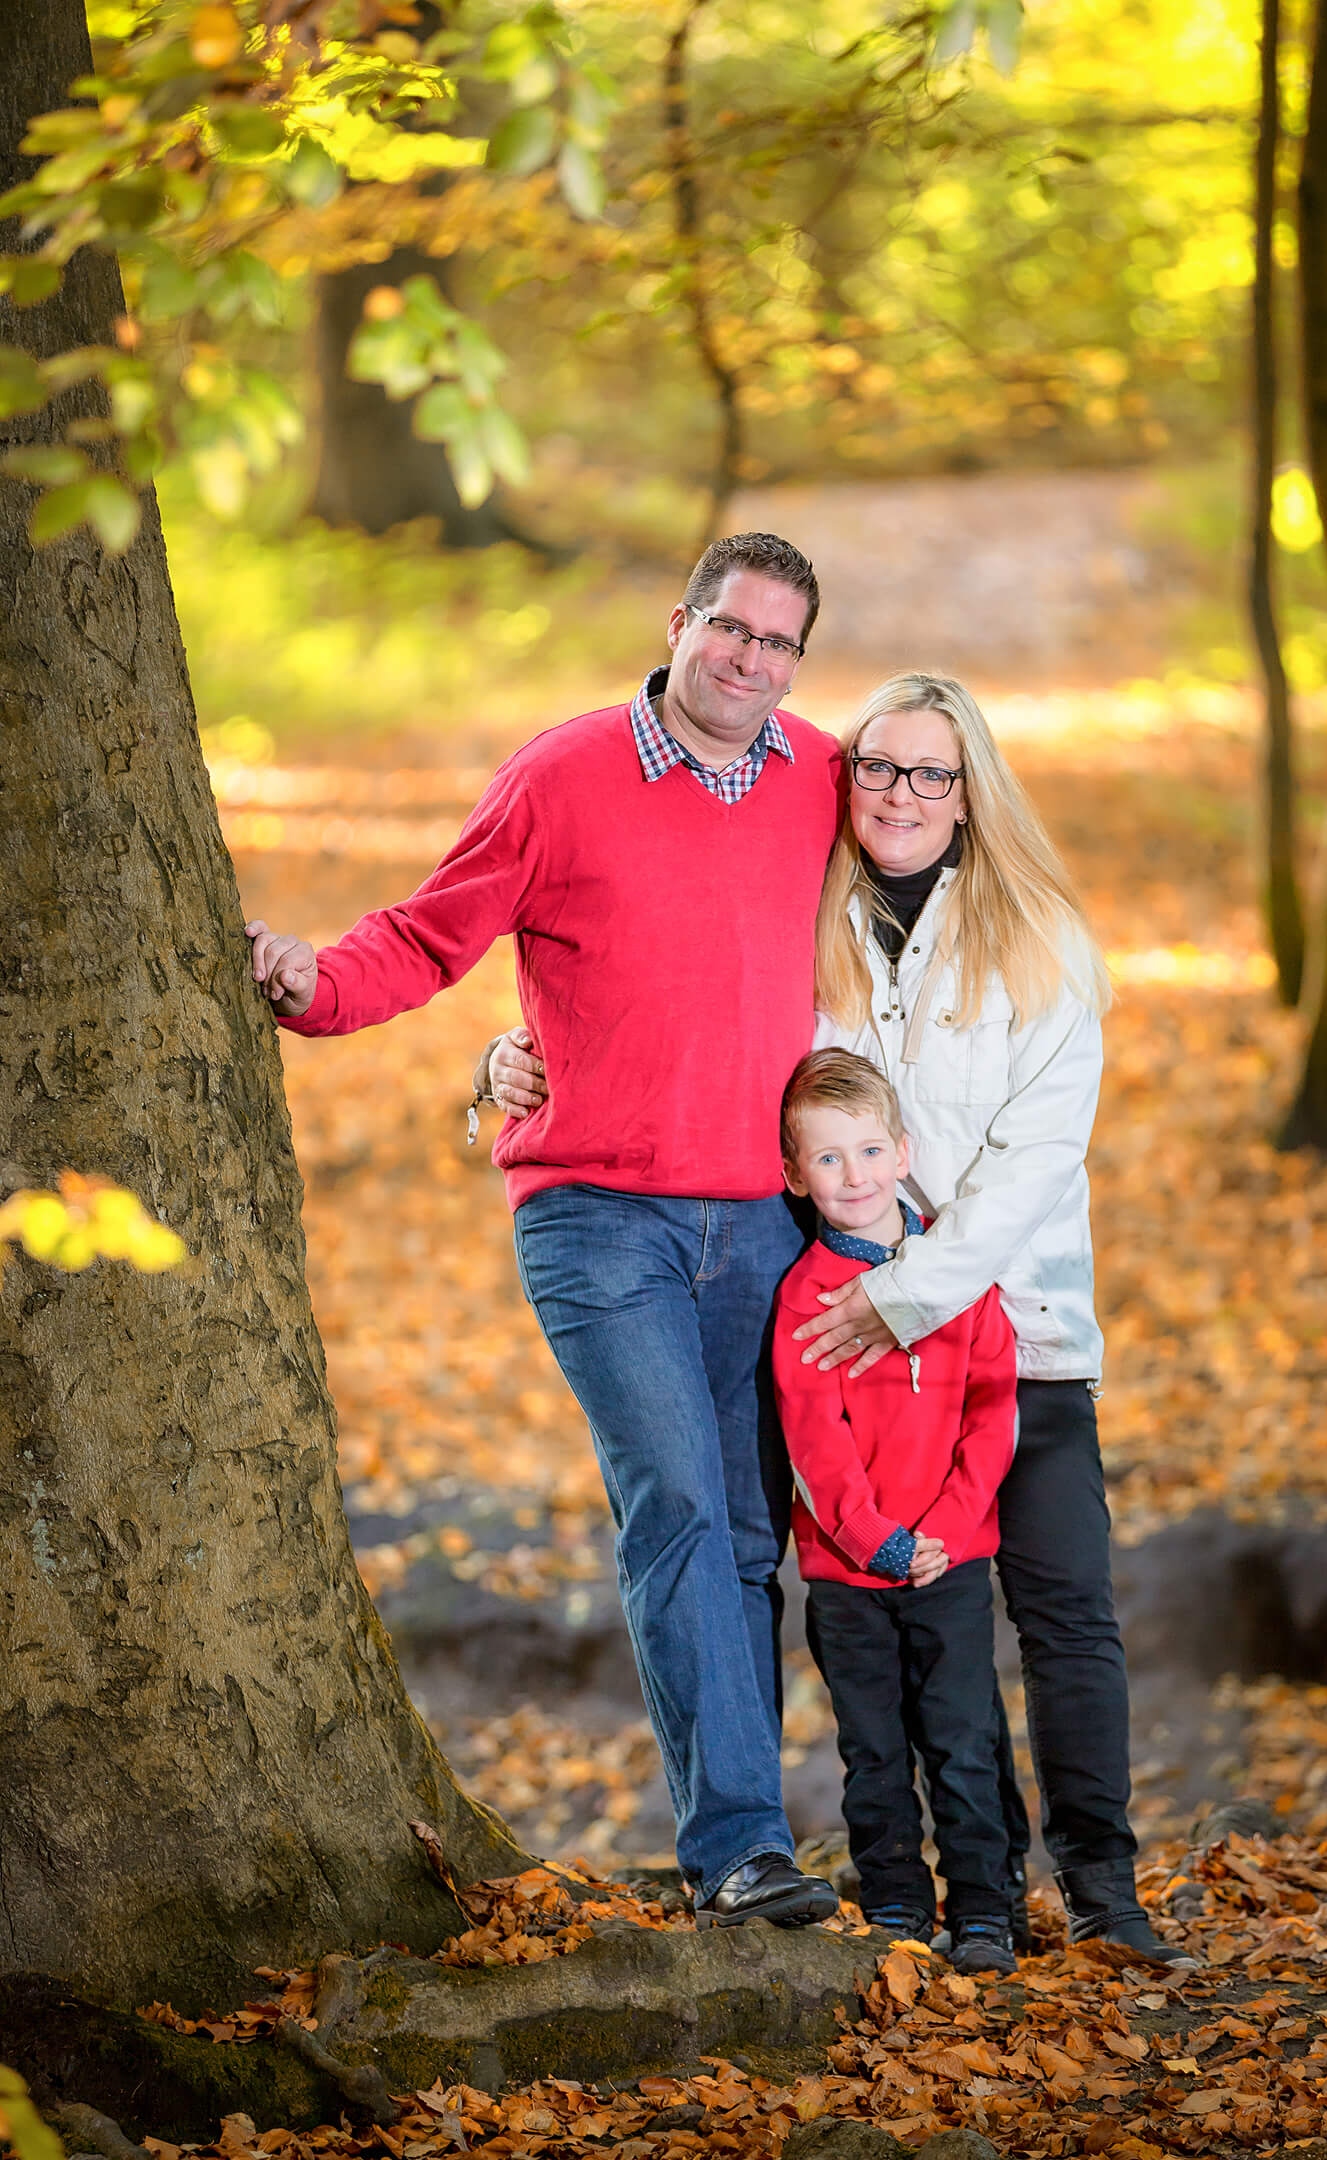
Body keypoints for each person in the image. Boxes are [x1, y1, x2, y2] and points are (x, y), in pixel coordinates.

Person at [491, 667, 1195, 1968]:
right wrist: (506, 1059)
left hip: (1010, 1335)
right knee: (860, 1616)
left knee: (1061, 1606)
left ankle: (1102, 1885)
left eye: (935, 773)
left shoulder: (1044, 944)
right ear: (846, 778)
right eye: (879, 766)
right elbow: (666, 1013)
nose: (904, 794)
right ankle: (888, 1882)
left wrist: (904, 1294)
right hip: (843, 1361)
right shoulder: (799, 918)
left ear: (972, 793)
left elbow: (1035, 1164)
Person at [244, 531, 844, 1929]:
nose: (750, 661)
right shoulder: (564, 773)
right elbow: (431, 930)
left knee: (753, 1534)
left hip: (762, 1215)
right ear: (680, 620)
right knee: (682, 1509)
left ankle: (752, 1845)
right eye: (731, 629)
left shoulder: (819, 773)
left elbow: (920, 886)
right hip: (598, 1216)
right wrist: (313, 984)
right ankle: (743, 1848)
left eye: (778, 643)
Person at [774, 1048, 1020, 1974]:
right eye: (829, 1160)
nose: (855, 1176)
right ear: (795, 1174)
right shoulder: (804, 1297)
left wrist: (945, 1536)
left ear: (904, 1150)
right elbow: (816, 1443)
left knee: (961, 1742)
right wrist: (878, 1542)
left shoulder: (956, 1275)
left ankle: (986, 1912)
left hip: (950, 1569)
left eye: (871, 1152)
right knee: (874, 1755)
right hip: (850, 1578)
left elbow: (993, 1413)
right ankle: (895, 1911)